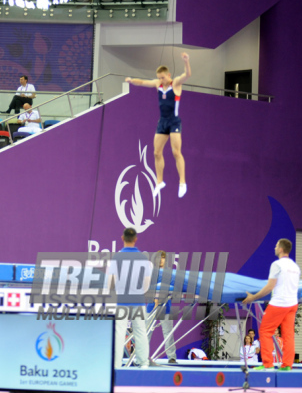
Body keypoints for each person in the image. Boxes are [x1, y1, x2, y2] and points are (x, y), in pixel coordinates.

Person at [125, 52, 191, 198]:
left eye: (163, 77)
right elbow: (142, 82)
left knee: (175, 152)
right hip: (162, 122)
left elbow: (187, 74)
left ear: (168, 75)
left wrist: (186, 61)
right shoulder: (157, 84)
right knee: (156, 153)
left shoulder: (177, 83)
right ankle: (159, 182)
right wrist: (131, 80)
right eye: (159, 78)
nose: (161, 80)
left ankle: (182, 183)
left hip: (174, 121)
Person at [243, 239, 300, 371]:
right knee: (288, 335)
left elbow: (269, 287)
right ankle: (287, 365)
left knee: (265, 331)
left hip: (279, 303)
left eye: (276, 246)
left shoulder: (277, 264)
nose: (274, 248)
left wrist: (253, 297)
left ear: (281, 249)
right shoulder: (295, 267)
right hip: (292, 304)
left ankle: (267, 364)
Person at [114, 228, 150, 369]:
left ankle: (116, 365)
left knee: (119, 332)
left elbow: (112, 281)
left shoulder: (117, 257)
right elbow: (146, 284)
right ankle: (144, 364)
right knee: (140, 331)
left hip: (122, 300)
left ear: (122, 238)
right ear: (135, 239)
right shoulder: (142, 258)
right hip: (138, 300)